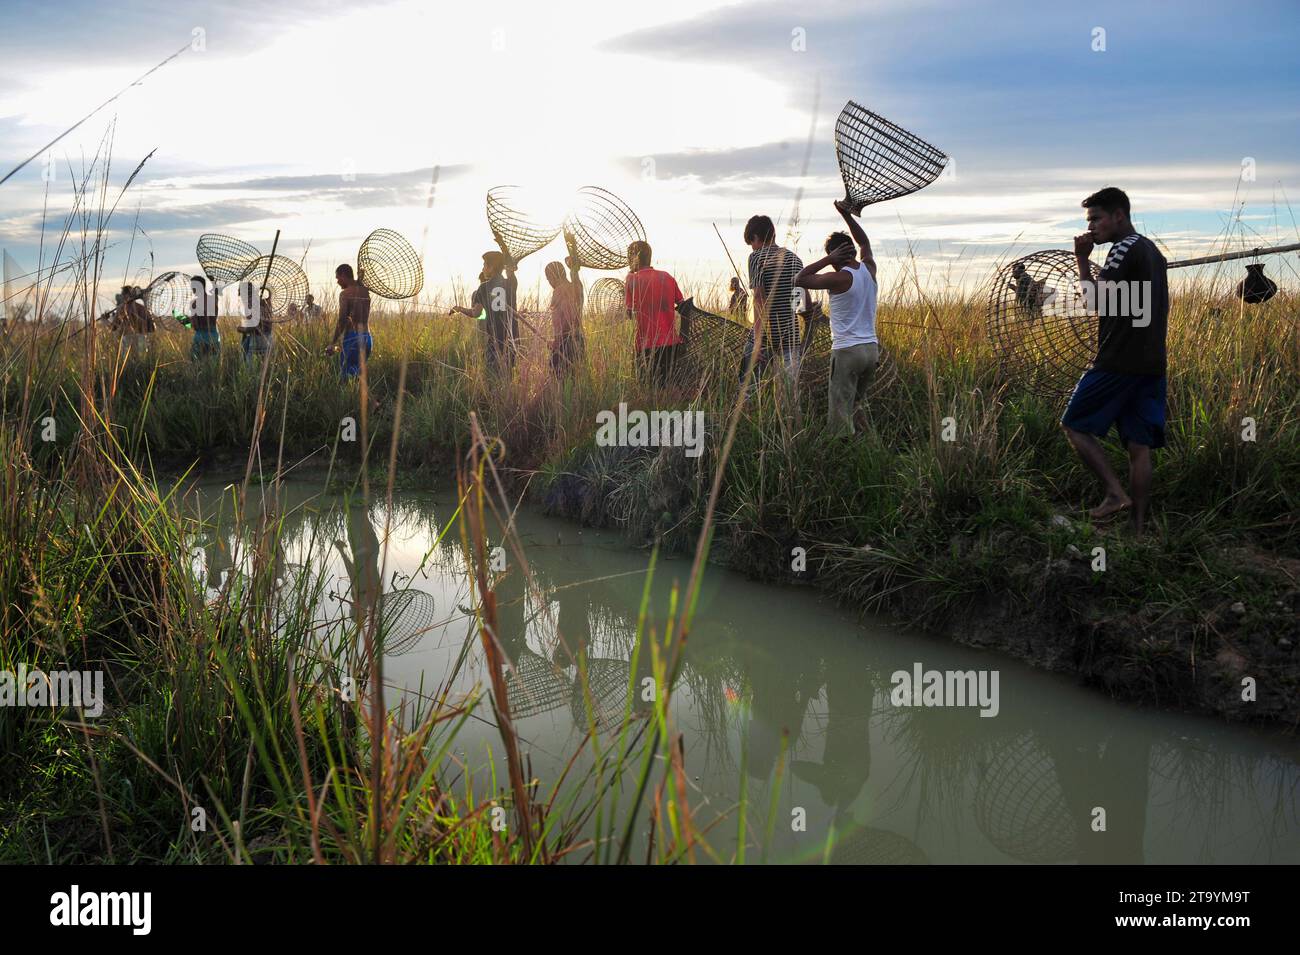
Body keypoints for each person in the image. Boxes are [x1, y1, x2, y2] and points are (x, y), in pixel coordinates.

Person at [1061, 186, 1169, 535]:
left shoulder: (1123, 248)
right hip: (1151, 364)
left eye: (1096, 218)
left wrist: (1080, 259)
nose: (1091, 227)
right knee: (1139, 446)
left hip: (1117, 362)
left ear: (1119, 216)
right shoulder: (1152, 251)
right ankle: (1137, 532)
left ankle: (1114, 493)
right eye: (1089, 220)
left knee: (1074, 424)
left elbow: (1093, 301)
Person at [795, 200, 879, 436]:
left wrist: (827, 260)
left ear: (835, 254)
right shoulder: (869, 269)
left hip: (847, 352)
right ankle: (867, 444)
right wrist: (847, 216)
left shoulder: (839, 278)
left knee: (840, 413)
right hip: (871, 350)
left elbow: (799, 279)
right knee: (857, 405)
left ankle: (846, 457)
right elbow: (865, 242)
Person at [740, 215, 803, 384]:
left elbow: (759, 299)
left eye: (751, 243)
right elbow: (797, 304)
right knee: (789, 392)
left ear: (755, 237)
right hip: (791, 334)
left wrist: (757, 341)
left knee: (749, 387)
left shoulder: (756, 257)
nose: (752, 248)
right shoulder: (796, 260)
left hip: (767, 333)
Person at [624, 240, 683, 385]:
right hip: (671, 344)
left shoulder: (632, 280)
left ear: (634, 258)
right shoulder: (667, 277)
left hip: (646, 346)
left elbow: (629, 313)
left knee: (647, 388)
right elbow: (683, 305)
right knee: (669, 388)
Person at [450, 250, 518, 375]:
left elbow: (476, 313)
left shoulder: (483, 288)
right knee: (509, 375)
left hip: (495, 339)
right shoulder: (511, 283)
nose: (483, 269)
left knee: (493, 376)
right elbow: (511, 269)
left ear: (491, 267)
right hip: (512, 338)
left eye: (484, 265)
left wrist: (459, 309)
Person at [327, 264, 372, 379]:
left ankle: (347, 397)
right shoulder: (365, 292)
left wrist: (332, 343)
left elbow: (342, 320)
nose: (337, 282)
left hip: (353, 339)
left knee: (346, 378)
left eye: (338, 278)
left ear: (343, 275)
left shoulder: (345, 294)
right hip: (367, 338)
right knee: (359, 376)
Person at [545, 259, 584, 376]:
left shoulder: (559, 290)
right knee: (576, 383)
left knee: (560, 383)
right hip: (578, 340)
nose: (549, 282)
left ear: (552, 277)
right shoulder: (577, 286)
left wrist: (556, 342)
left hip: (564, 344)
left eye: (548, 279)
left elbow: (569, 319)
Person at [109, 285, 154, 356]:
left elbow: (151, 328)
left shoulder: (141, 308)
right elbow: (113, 327)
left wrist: (131, 314)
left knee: (140, 361)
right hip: (126, 340)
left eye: (124, 295)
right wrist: (106, 319)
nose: (123, 297)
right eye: (123, 295)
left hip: (140, 339)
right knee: (127, 363)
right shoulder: (121, 309)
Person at [240, 284, 274, 363]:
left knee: (250, 367)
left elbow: (255, 326)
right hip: (268, 337)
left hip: (258, 338)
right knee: (264, 364)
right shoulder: (265, 302)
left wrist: (243, 329)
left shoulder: (250, 304)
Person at [189, 275, 221, 359]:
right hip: (210, 337)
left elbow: (193, 325)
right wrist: (213, 281)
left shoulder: (195, 304)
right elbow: (216, 291)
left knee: (199, 365)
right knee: (211, 364)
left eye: (193, 286)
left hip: (203, 339)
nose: (192, 289)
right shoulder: (211, 299)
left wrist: (182, 319)